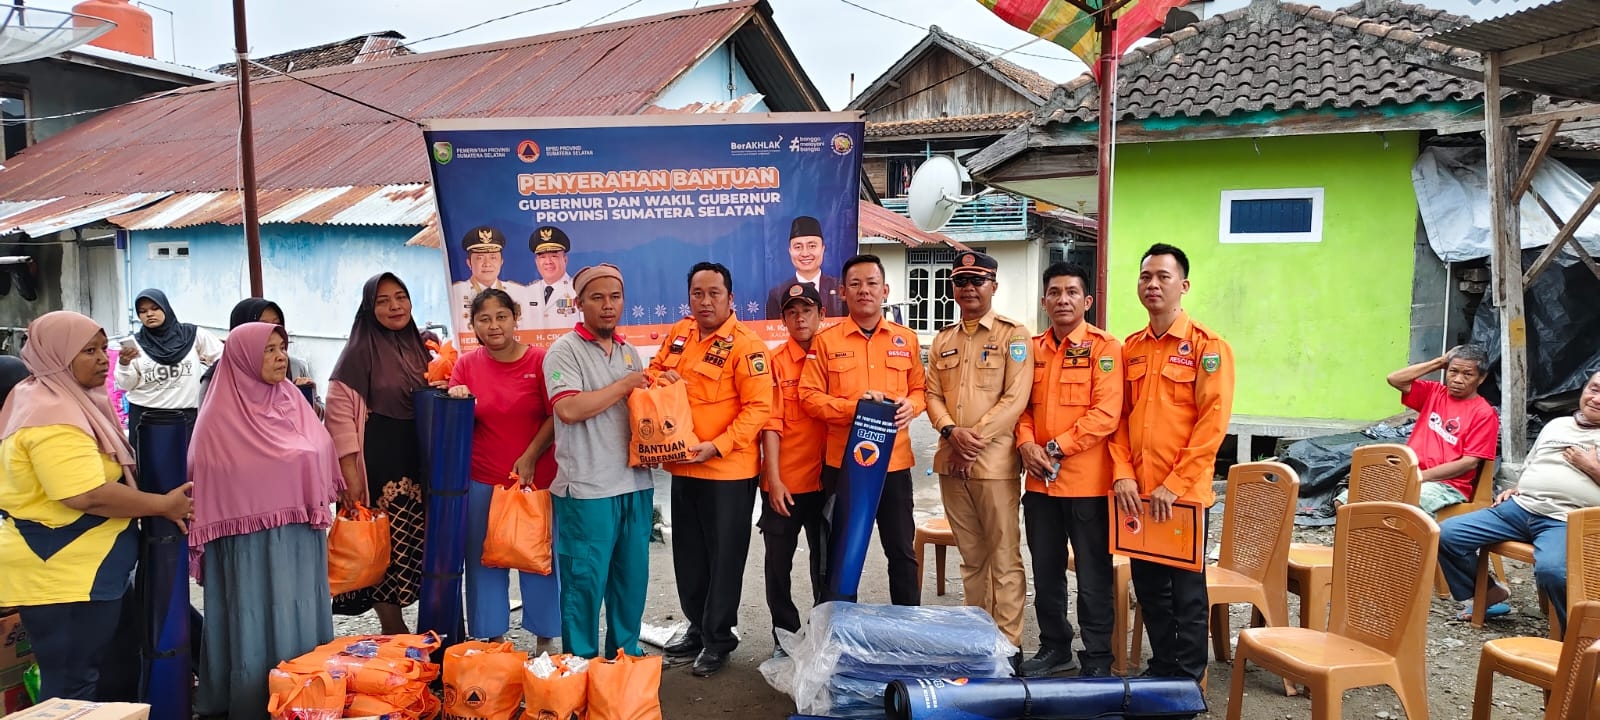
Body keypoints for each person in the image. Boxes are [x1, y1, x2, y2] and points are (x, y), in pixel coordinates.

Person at [0, 311, 193, 701]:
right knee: (73, 686)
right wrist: (161, 505)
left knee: (106, 675)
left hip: (88, 570)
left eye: (104, 348)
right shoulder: (51, 417)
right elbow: (86, 494)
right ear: (57, 356)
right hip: (62, 574)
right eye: (88, 351)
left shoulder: (59, 398)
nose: (103, 359)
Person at [188, 322, 342, 720]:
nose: (280, 357)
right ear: (243, 358)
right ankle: (255, 698)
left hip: (300, 535)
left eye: (282, 348)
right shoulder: (218, 417)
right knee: (253, 617)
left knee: (301, 610)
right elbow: (207, 471)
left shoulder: (291, 398)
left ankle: (308, 693)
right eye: (269, 350)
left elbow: (319, 448)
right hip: (247, 540)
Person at [1110, 243, 1234, 683]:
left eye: (1163, 276)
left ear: (1183, 285)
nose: (1153, 284)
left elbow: (1212, 425)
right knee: (1150, 589)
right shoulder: (1131, 348)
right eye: (1146, 276)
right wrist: (1123, 473)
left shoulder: (1207, 345)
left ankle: (1185, 680)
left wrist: (1175, 483)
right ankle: (1161, 667)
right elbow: (1118, 420)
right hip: (1138, 495)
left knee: (1186, 593)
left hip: (1181, 497)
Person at [651, 262, 774, 677]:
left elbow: (759, 408)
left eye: (714, 293)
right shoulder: (680, 333)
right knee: (688, 556)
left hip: (728, 471)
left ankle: (719, 638)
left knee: (724, 559)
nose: (705, 301)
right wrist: (659, 378)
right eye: (697, 293)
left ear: (730, 298)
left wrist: (717, 446)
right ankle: (697, 626)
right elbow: (652, 372)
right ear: (689, 297)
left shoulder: (747, 346)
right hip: (682, 467)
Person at [1014, 262, 1125, 678]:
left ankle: (1097, 657)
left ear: (1087, 301)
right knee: (1046, 572)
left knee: (1094, 576)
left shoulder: (1104, 348)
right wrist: (1026, 444)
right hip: (1040, 486)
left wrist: (1055, 447)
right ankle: (1054, 647)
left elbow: (1106, 413)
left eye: (1072, 292)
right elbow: (1021, 406)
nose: (1063, 299)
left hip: (1087, 486)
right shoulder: (1030, 348)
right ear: (1044, 301)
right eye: (1055, 292)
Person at [799, 254, 926, 606]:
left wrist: (910, 407)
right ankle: (839, 632)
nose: (864, 290)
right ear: (842, 292)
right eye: (855, 284)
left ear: (885, 290)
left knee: (901, 550)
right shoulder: (826, 342)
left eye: (871, 283)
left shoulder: (906, 340)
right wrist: (853, 410)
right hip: (844, 466)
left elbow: (920, 391)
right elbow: (808, 397)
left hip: (894, 465)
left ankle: (907, 627)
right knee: (842, 552)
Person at [924, 251, 1032, 656]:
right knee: (971, 558)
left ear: (994, 286)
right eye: (962, 281)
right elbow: (931, 394)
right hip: (952, 462)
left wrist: (973, 438)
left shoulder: (1013, 335)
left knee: (1003, 556)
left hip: (994, 464)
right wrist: (951, 432)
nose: (969, 288)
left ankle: (1008, 646)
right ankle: (978, 640)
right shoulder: (943, 340)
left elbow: (1015, 398)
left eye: (978, 281)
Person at [543, 264, 654, 659]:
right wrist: (625, 384)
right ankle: (580, 666)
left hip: (636, 485)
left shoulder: (629, 352)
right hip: (587, 490)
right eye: (598, 297)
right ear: (579, 303)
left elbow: (640, 414)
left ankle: (624, 661)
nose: (608, 306)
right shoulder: (563, 351)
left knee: (630, 582)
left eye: (615, 297)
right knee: (584, 586)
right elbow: (569, 409)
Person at [1438, 371, 1600, 630]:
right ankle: (1489, 593)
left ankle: (1581, 637)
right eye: (1594, 389)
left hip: (1565, 520)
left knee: (1554, 572)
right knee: (1447, 534)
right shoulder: (1556, 425)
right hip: (1520, 508)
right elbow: (1533, 465)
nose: (1596, 398)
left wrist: (1592, 468)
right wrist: (1516, 487)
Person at [447, 288, 561, 652]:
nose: (493, 325)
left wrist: (529, 456)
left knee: (539, 561)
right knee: (485, 563)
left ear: (515, 318)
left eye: (501, 316)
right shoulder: (466, 365)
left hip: (537, 481)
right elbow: (453, 417)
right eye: (484, 319)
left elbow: (556, 413)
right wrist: (456, 396)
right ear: (473, 325)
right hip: (483, 481)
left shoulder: (541, 361)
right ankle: (494, 642)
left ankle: (545, 642)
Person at [326, 273, 438, 634]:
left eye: (401, 297)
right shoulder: (358, 353)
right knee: (382, 545)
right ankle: (392, 624)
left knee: (415, 544)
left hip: (419, 458)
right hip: (379, 462)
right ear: (369, 308)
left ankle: (425, 624)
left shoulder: (422, 347)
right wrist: (350, 476)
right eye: (383, 300)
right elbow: (339, 419)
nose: (395, 306)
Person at [1334, 345, 1499, 515]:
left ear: (1481, 378)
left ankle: (1388, 542)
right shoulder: (1434, 393)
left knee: (1401, 510)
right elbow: (1394, 379)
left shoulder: (1484, 413)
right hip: (1407, 474)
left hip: (1445, 485)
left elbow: (1469, 462)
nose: (1457, 379)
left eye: (1467, 374)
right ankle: (1362, 542)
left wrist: (1419, 476)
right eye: (1453, 371)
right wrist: (1440, 361)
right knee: (1345, 502)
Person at [758, 282, 830, 656]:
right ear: (783, 318)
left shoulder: (835, 354)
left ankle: (823, 633)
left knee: (827, 564)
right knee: (778, 564)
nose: (800, 318)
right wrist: (773, 479)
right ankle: (784, 635)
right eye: (792, 312)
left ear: (821, 314)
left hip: (828, 480)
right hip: (785, 481)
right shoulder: (774, 361)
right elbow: (770, 424)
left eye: (807, 310)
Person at [115, 288, 223, 443]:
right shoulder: (134, 344)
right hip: (146, 417)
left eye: (155, 308)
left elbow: (223, 357)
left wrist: (208, 384)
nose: (149, 314)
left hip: (186, 417)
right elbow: (127, 385)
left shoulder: (192, 335)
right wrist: (124, 364)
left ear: (165, 308)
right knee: (149, 466)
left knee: (186, 464)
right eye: (143, 311)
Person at [200, 298, 322, 416]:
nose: (272, 331)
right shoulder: (218, 379)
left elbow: (314, 419)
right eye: (262, 326)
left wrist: (304, 398)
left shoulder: (293, 367)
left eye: (277, 324)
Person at [451, 226, 530, 333]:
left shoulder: (519, 292)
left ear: (501, 261)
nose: (487, 264)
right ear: (469, 263)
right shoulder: (455, 293)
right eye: (480, 258)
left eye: (493, 257)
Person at [766, 216, 844, 319]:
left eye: (812, 246)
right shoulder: (777, 294)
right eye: (798, 247)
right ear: (790, 251)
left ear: (822, 249)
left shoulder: (839, 288)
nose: (805, 253)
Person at [525, 226, 579, 330]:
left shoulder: (578, 291)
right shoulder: (527, 293)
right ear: (536, 262)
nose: (548, 262)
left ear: (565, 260)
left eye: (554, 256)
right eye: (542, 257)